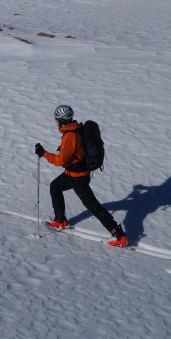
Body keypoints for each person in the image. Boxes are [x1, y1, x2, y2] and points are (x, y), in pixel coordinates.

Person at [35, 104, 128, 247]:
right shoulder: (74, 129)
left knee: (93, 206)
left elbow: (60, 160)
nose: (56, 123)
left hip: (78, 177)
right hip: (72, 174)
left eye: (56, 120)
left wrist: (44, 153)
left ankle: (119, 235)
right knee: (55, 186)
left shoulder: (70, 136)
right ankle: (60, 220)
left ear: (62, 120)